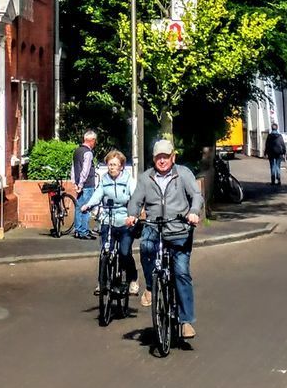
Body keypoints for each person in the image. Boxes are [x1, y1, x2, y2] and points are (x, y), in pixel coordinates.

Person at [126, 138, 203, 340]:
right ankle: (151, 287)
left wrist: (194, 212)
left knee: (181, 273)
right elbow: (136, 200)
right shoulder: (146, 178)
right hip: (154, 226)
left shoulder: (183, 174)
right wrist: (132, 214)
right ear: (154, 158)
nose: (162, 161)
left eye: (165, 157)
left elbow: (196, 195)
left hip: (179, 229)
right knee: (145, 247)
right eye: (158, 157)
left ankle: (186, 321)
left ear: (173, 157)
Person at [81, 149, 140, 295]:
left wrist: (134, 215)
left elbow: (136, 199)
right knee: (105, 252)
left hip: (125, 221)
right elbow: (97, 195)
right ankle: (102, 283)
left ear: (121, 166)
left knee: (124, 252)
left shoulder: (128, 181)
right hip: (108, 220)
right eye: (109, 164)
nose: (111, 167)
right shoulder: (104, 181)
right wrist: (88, 205)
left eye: (115, 164)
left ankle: (133, 279)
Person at [71, 129, 97, 239]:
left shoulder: (77, 151)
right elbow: (85, 171)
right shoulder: (88, 153)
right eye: (94, 141)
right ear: (91, 140)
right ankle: (84, 231)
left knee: (78, 207)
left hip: (79, 184)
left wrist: (75, 183)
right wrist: (81, 184)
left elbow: (73, 168)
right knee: (86, 207)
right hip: (87, 185)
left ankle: (78, 229)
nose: (95, 143)